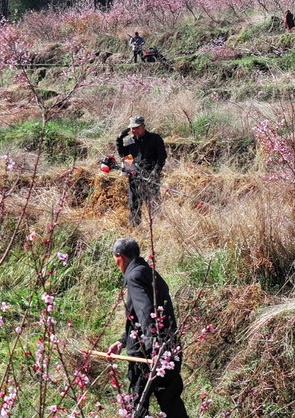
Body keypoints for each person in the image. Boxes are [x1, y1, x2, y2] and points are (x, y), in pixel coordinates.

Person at [107, 238, 189, 418]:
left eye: (115, 259)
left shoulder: (134, 276)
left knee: (137, 406)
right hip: (170, 348)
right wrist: (122, 341)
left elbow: (146, 314)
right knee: (172, 403)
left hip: (148, 355)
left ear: (120, 257)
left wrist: (154, 351)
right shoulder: (150, 273)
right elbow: (145, 316)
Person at [115, 116, 167, 226]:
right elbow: (124, 155)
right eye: (132, 128)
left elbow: (162, 156)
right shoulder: (131, 141)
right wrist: (119, 140)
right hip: (135, 177)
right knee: (134, 204)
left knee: (153, 203)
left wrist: (155, 171)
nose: (134, 130)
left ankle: (157, 227)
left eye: (136, 128)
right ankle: (135, 227)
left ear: (143, 127)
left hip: (151, 175)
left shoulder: (155, 138)